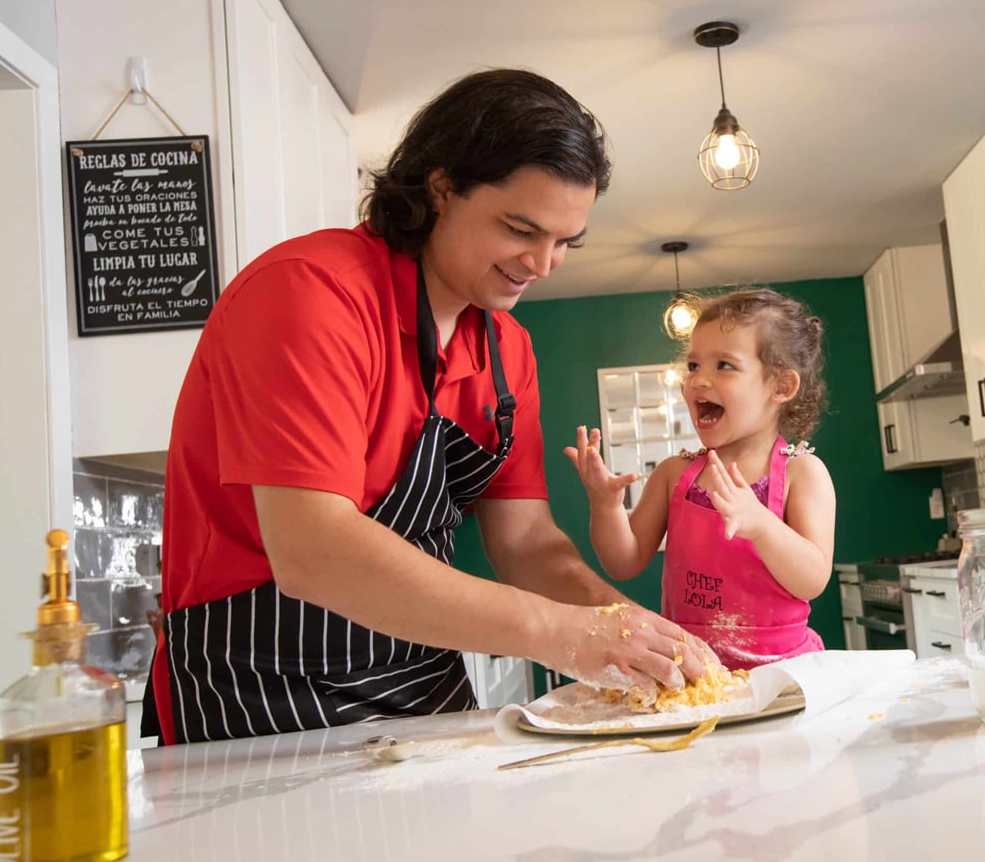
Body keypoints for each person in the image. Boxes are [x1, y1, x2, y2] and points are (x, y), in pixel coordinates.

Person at [148, 69, 713, 745]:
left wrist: (631, 629)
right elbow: (312, 549)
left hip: (418, 666)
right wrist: (557, 632)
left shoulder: (508, 350)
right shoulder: (309, 294)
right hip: (259, 681)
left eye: (565, 241)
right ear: (440, 187)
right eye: (520, 228)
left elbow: (527, 541)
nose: (543, 264)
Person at [568, 288, 836, 669]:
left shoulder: (802, 472)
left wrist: (762, 526)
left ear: (781, 387)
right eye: (694, 366)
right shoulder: (673, 473)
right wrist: (606, 506)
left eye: (723, 365)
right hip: (693, 668)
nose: (698, 381)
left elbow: (812, 580)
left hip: (782, 671)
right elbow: (623, 562)